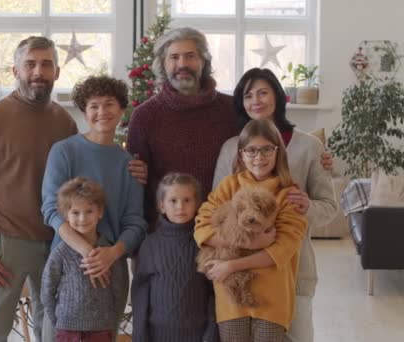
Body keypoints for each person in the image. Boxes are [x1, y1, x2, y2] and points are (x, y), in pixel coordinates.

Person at [0, 36, 78, 342]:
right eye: (30, 64)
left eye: (46, 64)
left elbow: (76, 185)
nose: (38, 71)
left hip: (55, 241)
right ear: (15, 70)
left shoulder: (64, 122)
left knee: (51, 328)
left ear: (57, 72)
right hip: (5, 244)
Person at [213, 68, 337, 342]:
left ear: (278, 97)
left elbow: (329, 207)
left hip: (294, 268)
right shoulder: (231, 148)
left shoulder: (309, 147)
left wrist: (307, 206)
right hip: (239, 270)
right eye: (248, 95)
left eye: (262, 92)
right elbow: (215, 210)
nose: (255, 100)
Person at [41, 75, 147, 340]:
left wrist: (111, 254)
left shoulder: (129, 164)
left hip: (111, 270)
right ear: (84, 112)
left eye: (109, 104)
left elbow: (135, 223)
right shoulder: (63, 151)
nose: (102, 112)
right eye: (93, 106)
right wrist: (89, 252)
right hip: (67, 262)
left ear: (122, 109)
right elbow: (51, 211)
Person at [195, 119, 308, 342]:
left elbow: (283, 249)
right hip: (231, 298)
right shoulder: (228, 186)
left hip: (272, 297)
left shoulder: (288, 193)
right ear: (241, 154)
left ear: (278, 152)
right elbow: (202, 228)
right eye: (251, 150)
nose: (259, 157)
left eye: (267, 149)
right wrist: (249, 243)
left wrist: (231, 265)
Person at [126, 27, 240, 230]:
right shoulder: (144, 116)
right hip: (165, 232)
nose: (182, 64)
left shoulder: (232, 110)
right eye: (174, 57)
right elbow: (136, 183)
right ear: (163, 63)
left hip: (223, 229)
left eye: (190, 56)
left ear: (203, 61)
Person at [41, 177, 126, 342]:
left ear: (100, 212)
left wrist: (108, 320)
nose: (82, 218)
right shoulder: (60, 254)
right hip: (66, 330)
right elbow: (47, 291)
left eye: (89, 211)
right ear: (66, 214)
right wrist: (59, 320)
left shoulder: (108, 252)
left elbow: (118, 291)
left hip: (101, 329)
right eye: (75, 213)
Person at [131, 172, 213, 342]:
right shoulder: (150, 244)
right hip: (157, 334)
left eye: (187, 200)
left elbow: (215, 293)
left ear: (197, 204)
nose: (180, 207)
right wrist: (139, 333)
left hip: (198, 334)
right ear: (162, 206)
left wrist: (212, 332)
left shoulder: (205, 243)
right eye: (173, 201)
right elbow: (140, 292)